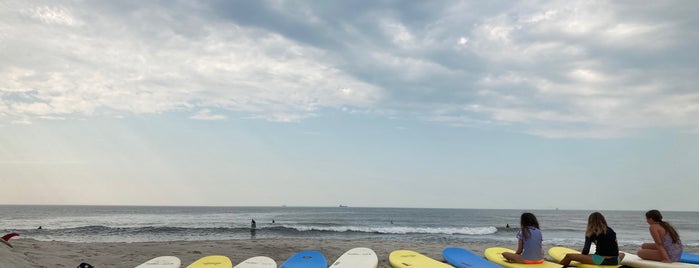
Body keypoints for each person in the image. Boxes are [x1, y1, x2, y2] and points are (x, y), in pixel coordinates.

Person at [559, 212, 624, 267]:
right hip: (615, 260)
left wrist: (582, 259)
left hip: (601, 260)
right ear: (603, 220)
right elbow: (616, 248)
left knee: (569, 256)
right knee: (622, 254)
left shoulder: (591, 232)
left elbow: (585, 250)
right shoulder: (611, 230)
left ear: (590, 221)